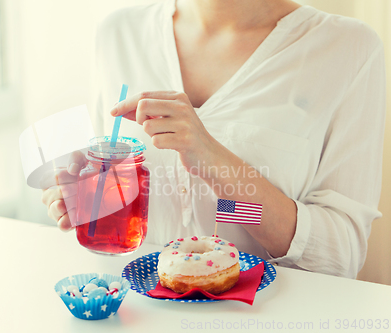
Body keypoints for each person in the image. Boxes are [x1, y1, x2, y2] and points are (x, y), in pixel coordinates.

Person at [41, 0, 386, 278]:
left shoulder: (348, 49)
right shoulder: (118, 33)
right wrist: (88, 199)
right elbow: (127, 195)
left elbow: (341, 255)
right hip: (135, 317)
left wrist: (218, 165)